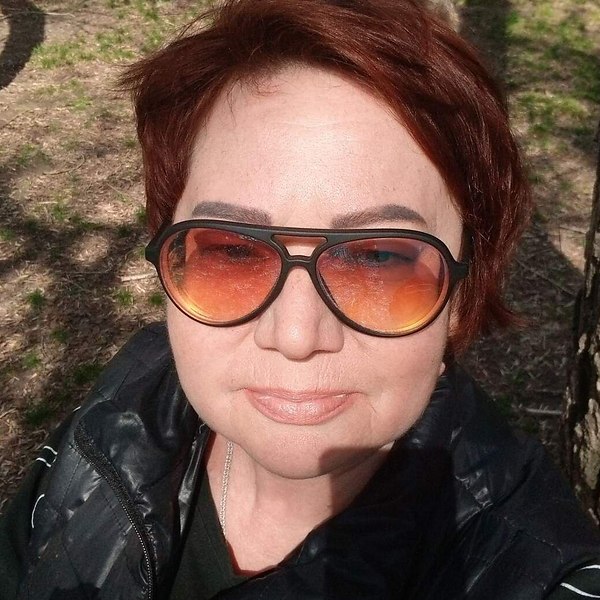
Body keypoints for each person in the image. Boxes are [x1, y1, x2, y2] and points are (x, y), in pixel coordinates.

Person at [1, 0, 599, 598]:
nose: (294, 335)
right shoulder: (123, 407)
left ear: (463, 296)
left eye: (377, 258)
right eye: (232, 250)